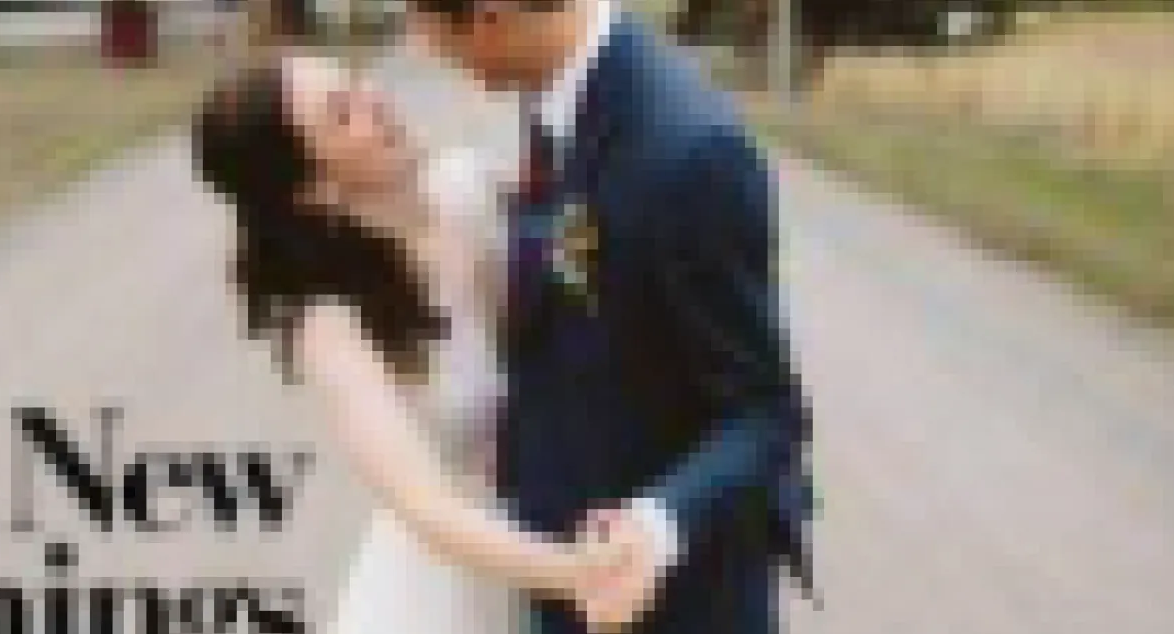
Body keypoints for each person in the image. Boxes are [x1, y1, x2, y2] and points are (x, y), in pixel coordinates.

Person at [393, 0, 819, 631]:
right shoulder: (553, 94)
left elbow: (765, 411)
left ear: (489, 17)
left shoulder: (691, 151)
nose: (432, 53)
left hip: (672, 601)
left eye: (431, 33)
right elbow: (570, 300)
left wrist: (655, 523)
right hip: (564, 564)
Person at [189, 57, 631, 634]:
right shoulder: (329, 325)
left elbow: (581, 243)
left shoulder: (468, 188)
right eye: (343, 114)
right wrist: (580, 574)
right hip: (453, 588)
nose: (375, 102)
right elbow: (425, 506)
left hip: (555, 520)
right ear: (314, 190)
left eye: (356, 84)